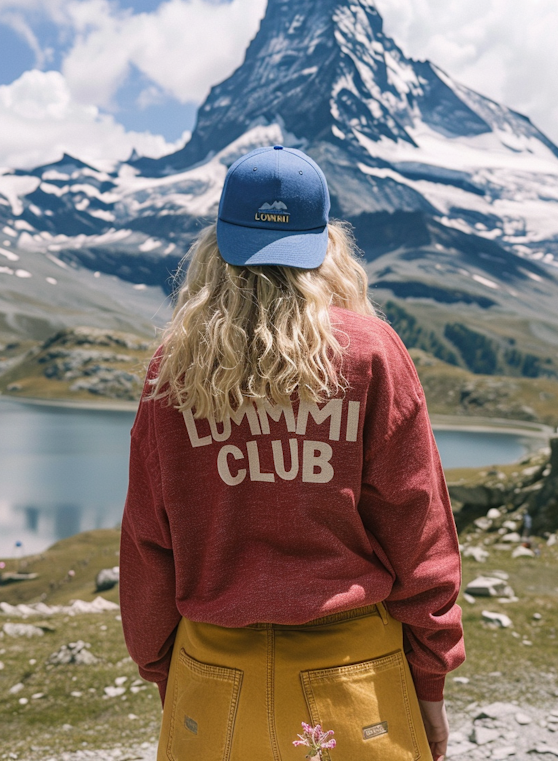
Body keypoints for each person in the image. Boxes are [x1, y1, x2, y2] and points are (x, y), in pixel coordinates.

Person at [119, 145, 465, 761]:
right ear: (328, 245)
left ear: (217, 244)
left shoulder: (171, 367)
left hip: (209, 672)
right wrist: (431, 679)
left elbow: (148, 541)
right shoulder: (370, 353)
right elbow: (419, 525)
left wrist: (165, 673)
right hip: (356, 678)